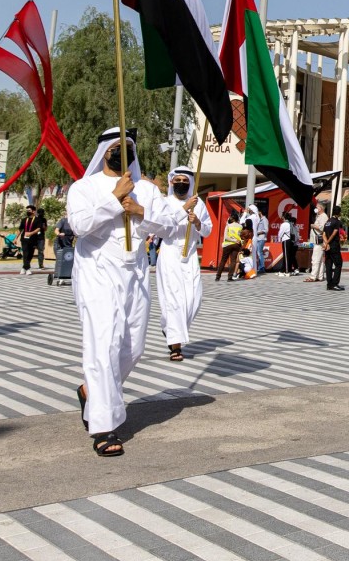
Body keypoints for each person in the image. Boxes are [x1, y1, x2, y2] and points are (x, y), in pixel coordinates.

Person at [67, 129, 164, 457]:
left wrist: (139, 211)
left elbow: (170, 225)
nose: (122, 152)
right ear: (103, 151)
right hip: (97, 276)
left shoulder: (147, 190)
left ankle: (90, 392)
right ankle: (104, 427)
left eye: (127, 147)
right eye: (115, 147)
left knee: (133, 348)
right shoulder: (83, 187)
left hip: (135, 275)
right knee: (103, 346)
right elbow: (79, 225)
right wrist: (113, 200)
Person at [152, 165, 212, 360]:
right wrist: (184, 210)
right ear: (171, 182)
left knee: (194, 299)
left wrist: (197, 223)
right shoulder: (164, 202)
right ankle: (175, 346)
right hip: (170, 253)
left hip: (191, 254)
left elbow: (208, 230)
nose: (181, 184)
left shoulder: (198, 203)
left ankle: (167, 326)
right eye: (177, 181)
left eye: (185, 181)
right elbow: (161, 230)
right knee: (174, 300)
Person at [320, 209, 346, 290]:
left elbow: (323, 234)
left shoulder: (328, 221)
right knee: (338, 263)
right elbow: (334, 233)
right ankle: (335, 283)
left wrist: (326, 243)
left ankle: (329, 284)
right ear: (339, 213)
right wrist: (328, 242)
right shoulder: (337, 222)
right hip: (334, 245)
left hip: (327, 247)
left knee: (329, 264)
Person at [18, 205, 47, 274]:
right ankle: (27, 268)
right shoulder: (24, 220)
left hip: (33, 239)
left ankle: (24, 267)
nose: (28, 212)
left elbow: (39, 228)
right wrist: (16, 238)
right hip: (24, 239)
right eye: (27, 211)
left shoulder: (38, 220)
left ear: (33, 211)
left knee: (30, 254)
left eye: (29, 210)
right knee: (25, 253)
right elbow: (20, 229)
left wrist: (31, 233)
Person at [216, 214, 244, 282]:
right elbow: (241, 236)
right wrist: (237, 241)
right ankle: (230, 277)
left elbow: (226, 237)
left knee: (223, 260)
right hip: (236, 245)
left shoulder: (228, 226)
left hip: (227, 245)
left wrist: (233, 240)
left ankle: (218, 276)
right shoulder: (240, 226)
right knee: (233, 261)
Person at [306, 212, 327, 282]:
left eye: (317, 207)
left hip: (319, 242)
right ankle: (319, 276)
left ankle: (313, 276)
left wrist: (313, 226)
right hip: (317, 242)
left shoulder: (323, 216)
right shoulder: (320, 216)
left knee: (315, 259)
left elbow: (322, 227)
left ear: (320, 208)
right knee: (320, 260)